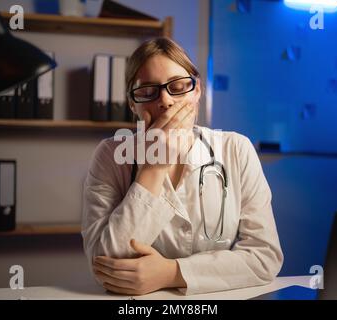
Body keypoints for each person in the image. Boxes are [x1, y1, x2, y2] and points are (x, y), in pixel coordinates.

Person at [81, 37, 283, 296]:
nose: (165, 101)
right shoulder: (111, 155)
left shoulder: (236, 149)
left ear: (197, 91)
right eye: (147, 91)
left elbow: (264, 257)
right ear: (133, 103)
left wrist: (170, 272)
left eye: (177, 86)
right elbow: (104, 268)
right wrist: (154, 169)